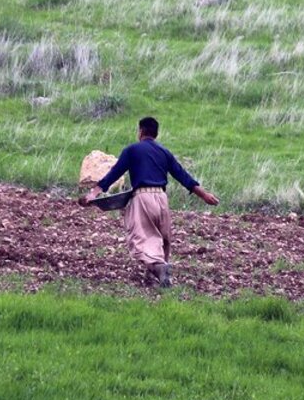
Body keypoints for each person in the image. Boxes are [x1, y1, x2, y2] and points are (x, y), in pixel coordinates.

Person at [80, 117, 219, 288]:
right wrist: (204, 195)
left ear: (140, 131)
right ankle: (157, 275)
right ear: (156, 134)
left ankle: (159, 269)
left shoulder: (132, 150)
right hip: (161, 199)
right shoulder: (164, 152)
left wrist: (93, 193)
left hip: (142, 197)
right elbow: (183, 176)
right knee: (162, 239)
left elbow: (114, 174)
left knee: (142, 239)